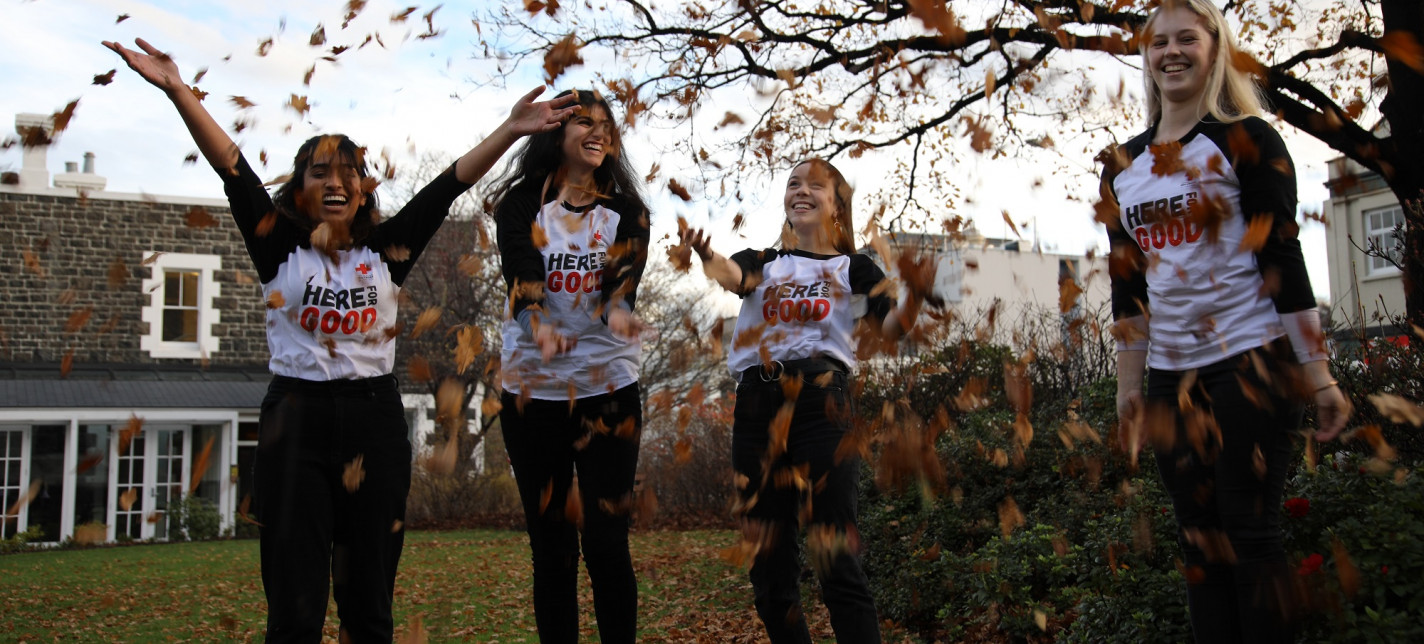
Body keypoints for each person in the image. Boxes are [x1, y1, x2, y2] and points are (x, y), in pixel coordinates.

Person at [104, 37, 579, 643]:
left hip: (373, 423)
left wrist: (511, 130)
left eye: (349, 171)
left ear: (363, 189)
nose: (336, 181)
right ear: (300, 188)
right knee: (294, 613)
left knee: (369, 609)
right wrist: (178, 90)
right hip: (294, 424)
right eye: (320, 170)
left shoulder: (388, 251)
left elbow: (448, 186)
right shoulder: (279, 246)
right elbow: (233, 168)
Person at [1100, 1, 1352, 641]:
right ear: (1147, 57)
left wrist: (1319, 378)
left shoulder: (1247, 140)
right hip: (1169, 379)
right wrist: (1130, 389)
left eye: (1188, 38)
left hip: (1252, 362)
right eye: (1159, 42)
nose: (1172, 52)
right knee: (1199, 544)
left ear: (1214, 49)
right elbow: (1129, 290)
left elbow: (1282, 259)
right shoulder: (1121, 167)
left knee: (1249, 532)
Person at [680, 158, 926, 644]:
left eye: (816, 184)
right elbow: (732, 276)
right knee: (769, 575)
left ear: (836, 204)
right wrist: (708, 256)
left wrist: (915, 297)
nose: (802, 190)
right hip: (756, 409)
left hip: (823, 408)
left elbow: (892, 328)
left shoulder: (852, 267)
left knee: (836, 560)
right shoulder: (763, 260)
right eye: (793, 182)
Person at [487, 89, 651, 644]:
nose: (599, 131)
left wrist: (617, 313)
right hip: (533, 395)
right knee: (553, 548)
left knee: (606, 543)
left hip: (608, 391)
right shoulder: (519, 204)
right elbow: (522, 269)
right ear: (557, 132)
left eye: (606, 123)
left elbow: (618, 285)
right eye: (585, 121)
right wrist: (537, 323)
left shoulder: (627, 211)